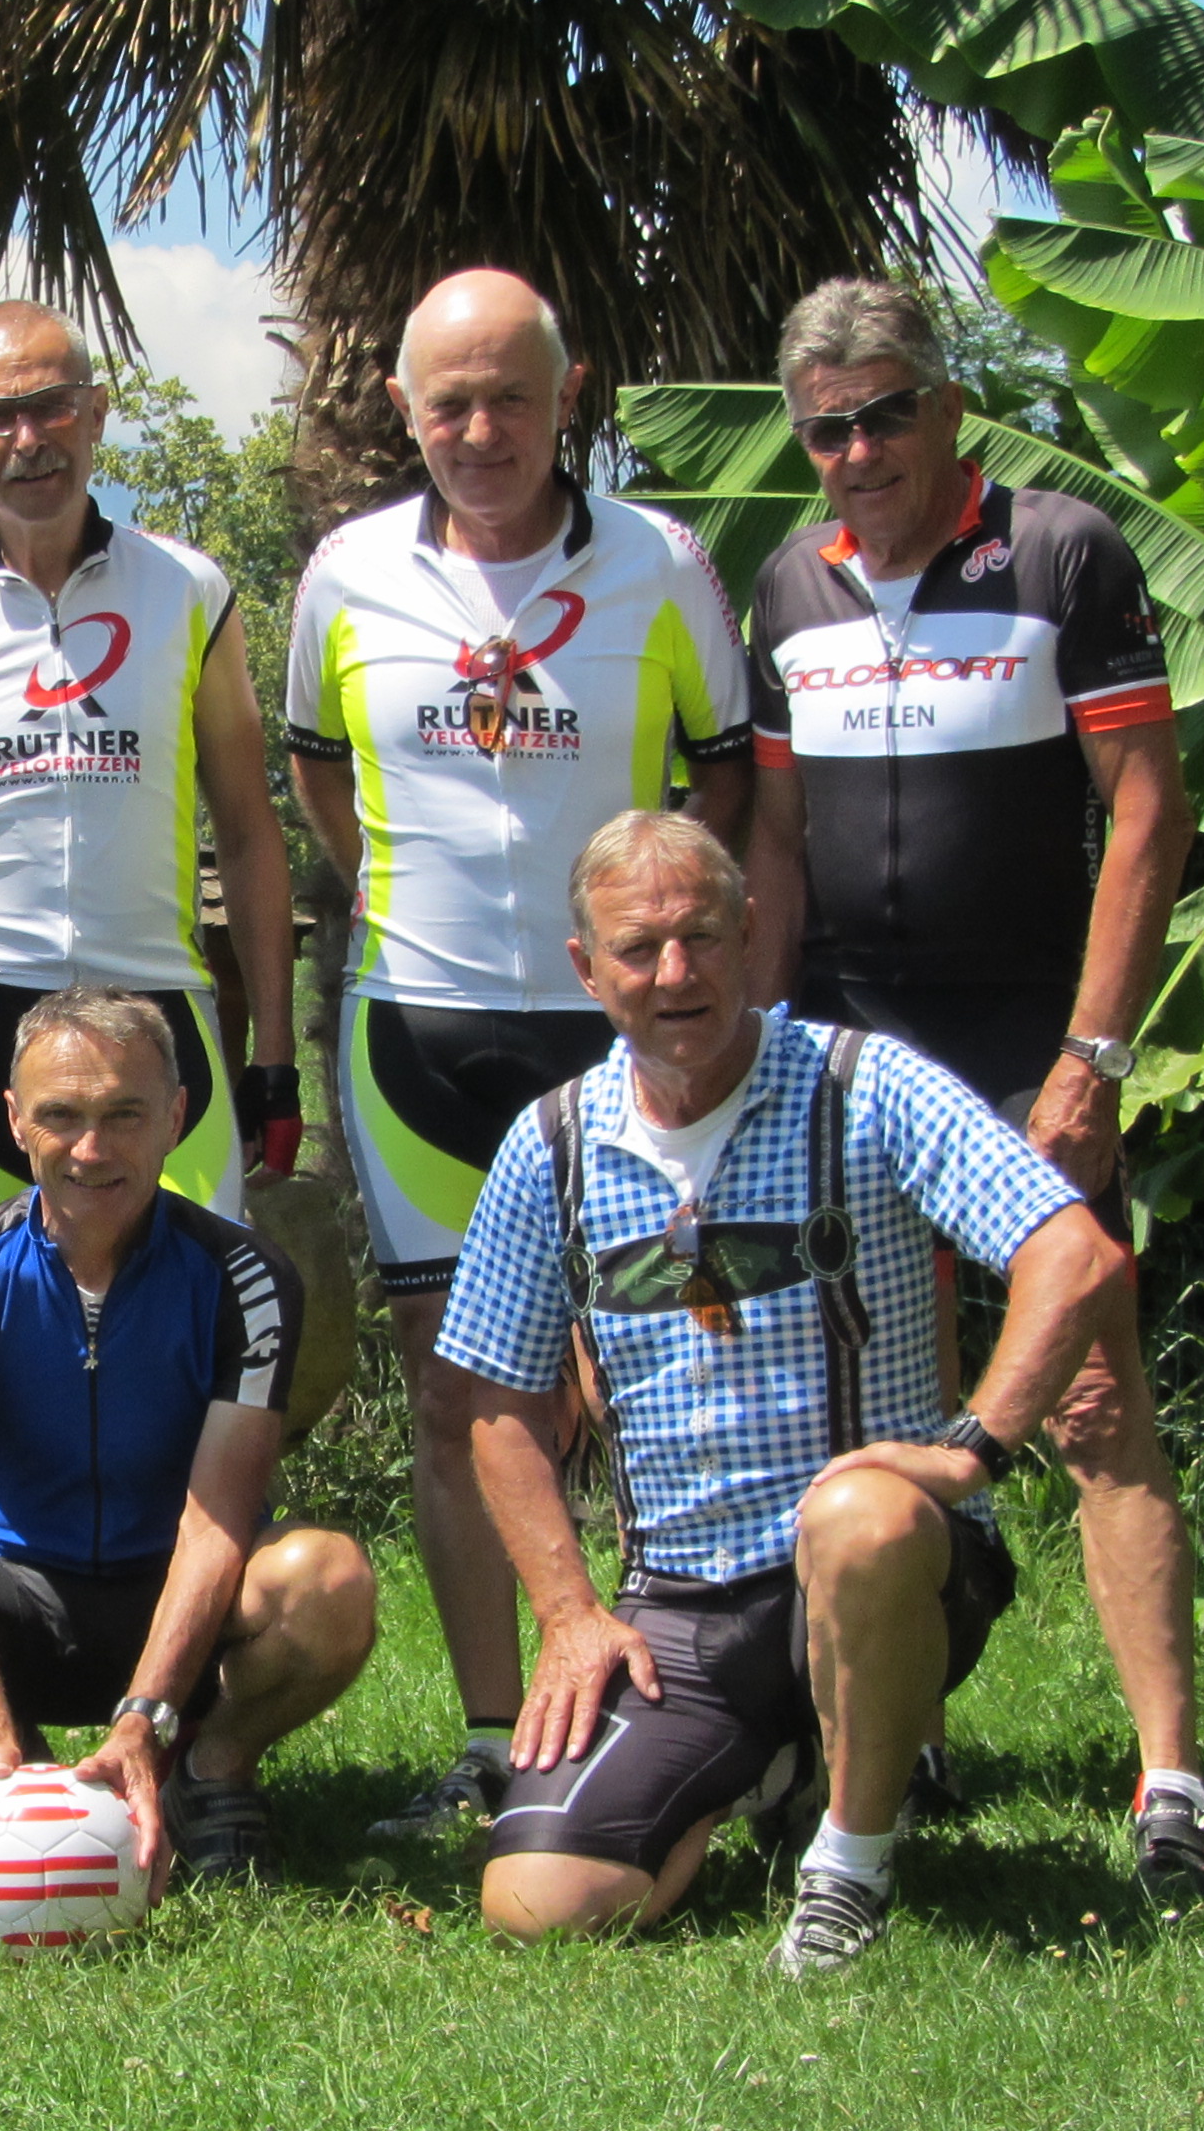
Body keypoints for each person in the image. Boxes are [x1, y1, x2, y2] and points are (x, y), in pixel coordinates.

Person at [437, 812, 1129, 1971]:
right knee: (539, 1900)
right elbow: (498, 1406)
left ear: (751, 931)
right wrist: (567, 1614)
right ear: (586, 970)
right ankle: (775, 1763)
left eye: (701, 935)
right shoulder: (547, 1144)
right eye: (638, 948)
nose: (676, 973)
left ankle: (848, 1866)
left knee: (855, 1513)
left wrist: (971, 1450)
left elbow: (1073, 1254)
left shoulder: (866, 1084)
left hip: (885, 1563)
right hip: (679, 1606)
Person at [740, 276, 1204, 1898]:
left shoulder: (1061, 551)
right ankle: (907, 1736)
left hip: (1027, 1044)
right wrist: (764, 1046)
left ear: (946, 407)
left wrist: (1095, 1052)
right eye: (826, 429)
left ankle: (1170, 1777)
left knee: (1093, 1396)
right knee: (878, 1395)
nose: (858, 450)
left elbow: (1147, 806)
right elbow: (777, 844)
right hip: (850, 1045)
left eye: (885, 414)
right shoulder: (789, 583)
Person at [278, 268, 754, 1840]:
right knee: (455, 1391)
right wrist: (391, 897)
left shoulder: (660, 565)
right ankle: (500, 1740)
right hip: (417, 1028)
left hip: (615, 1035)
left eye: (511, 399)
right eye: (450, 403)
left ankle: (683, 1705)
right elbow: (319, 770)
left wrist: (663, 962)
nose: (480, 430)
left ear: (571, 397)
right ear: (402, 410)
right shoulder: (348, 572)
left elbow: (726, 785)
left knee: (652, 1371)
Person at [0, 988, 375, 1884]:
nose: (92, 1149)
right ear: (16, 1122)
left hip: (181, 1597)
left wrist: (144, 1720)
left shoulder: (246, 1276)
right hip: (13, 1597)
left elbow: (215, 1527)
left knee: (331, 1582)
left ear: (175, 1117)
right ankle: (7, 1761)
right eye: (61, 1116)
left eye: (124, 1114)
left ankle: (208, 1769)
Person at [0, 300, 301, 1228]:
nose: (28, 439)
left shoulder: (189, 593)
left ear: (95, 412)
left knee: (193, 1306)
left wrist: (276, 1059)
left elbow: (251, 833)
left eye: (52, 406)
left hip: (157, 1002)